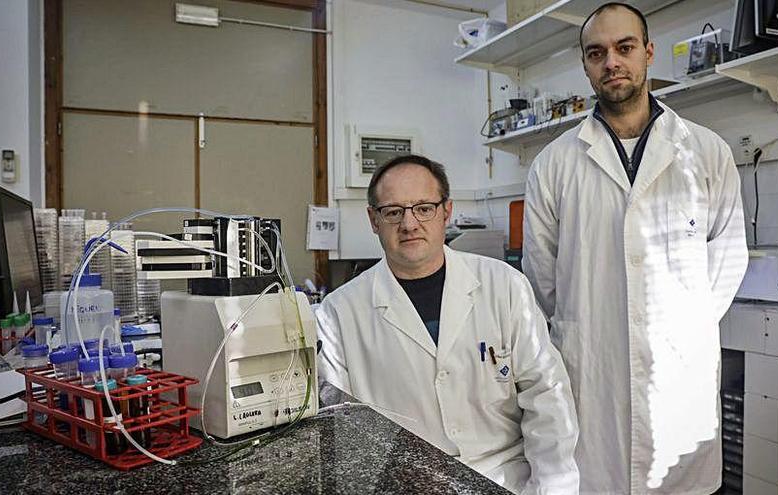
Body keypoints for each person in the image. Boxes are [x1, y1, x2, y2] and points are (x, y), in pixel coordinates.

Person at [522, 3, 749, 494]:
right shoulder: (553, 164)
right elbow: (542, 274)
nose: (612, 63)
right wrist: (591, 323)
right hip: (593, 372)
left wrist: (685, 326)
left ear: (647, 53)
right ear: (585, 64)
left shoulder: (707, 152)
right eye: (597, 53)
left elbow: (728, 255)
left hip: (678, 372)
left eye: (624, 48)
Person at [316, 154, 580, 494]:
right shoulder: (338, 313)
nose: (409, 224)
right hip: (403, 485)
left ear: (447, 211)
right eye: (393, 211)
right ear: (373, 219)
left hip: (504, 479)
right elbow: (343, 430)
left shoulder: (505, 286)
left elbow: (547, 397)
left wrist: (551, 488)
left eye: (424, 207)